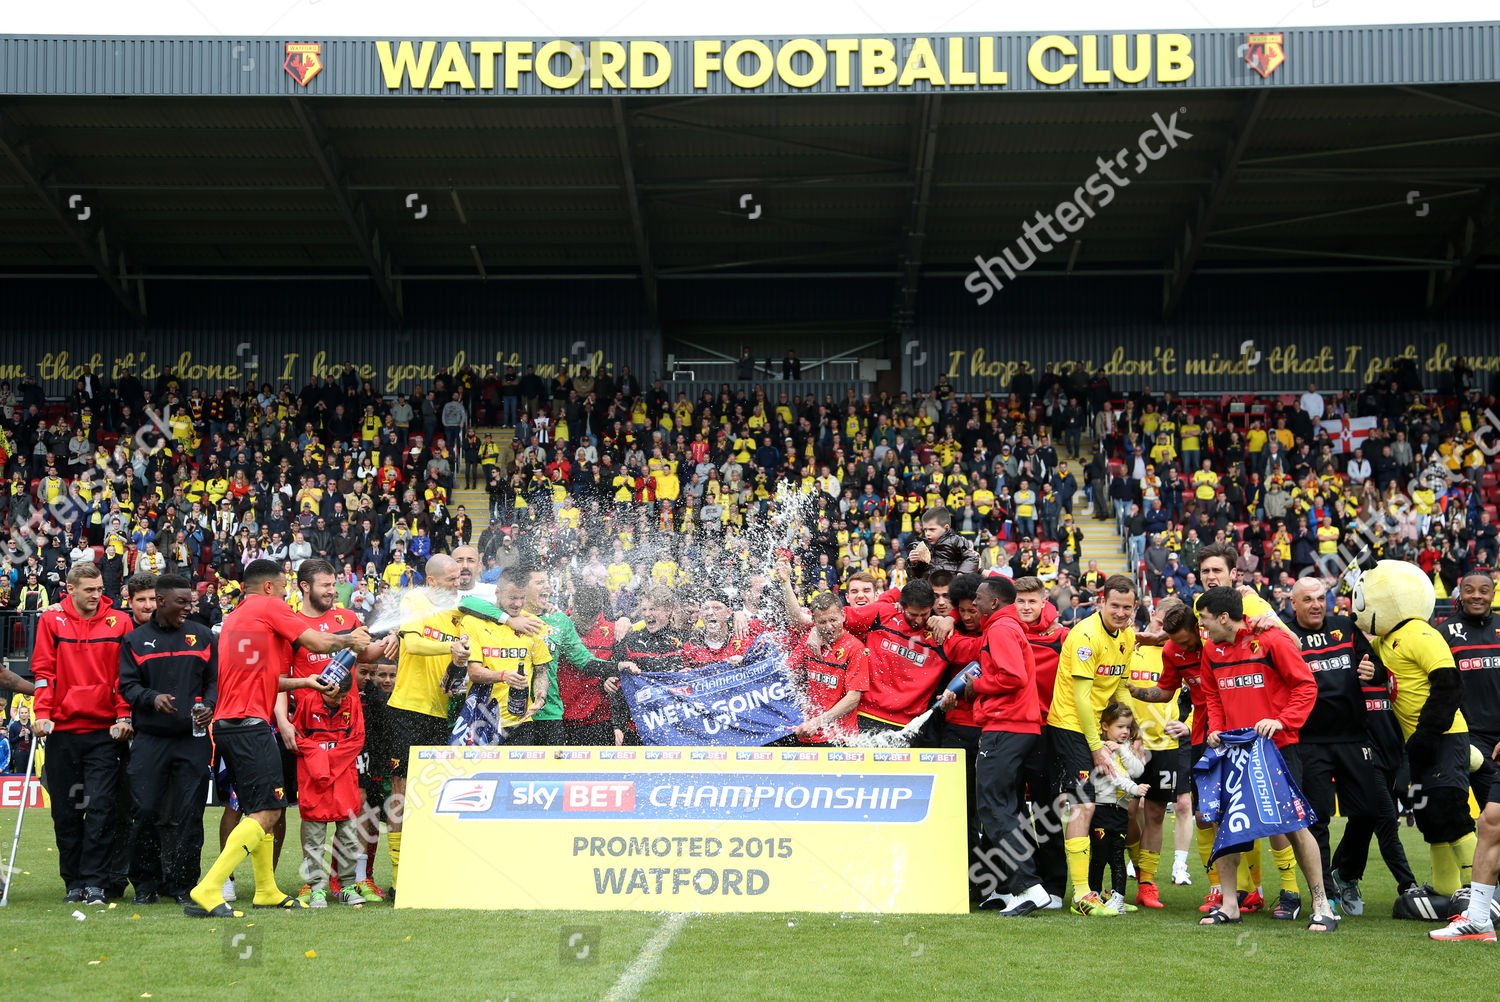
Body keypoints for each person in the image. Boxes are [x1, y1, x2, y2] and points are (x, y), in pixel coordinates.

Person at [184, 558, 368, 918]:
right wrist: (350, 639)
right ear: (269, 587)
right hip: (250, 723)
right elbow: (315, 641)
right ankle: (209, 887)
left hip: (229, 723)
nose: (287, 594)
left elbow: (263, 678)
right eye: (284, 587)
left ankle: (266, 889)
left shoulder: (238, 618)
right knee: (268, 810)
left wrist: (305, 682)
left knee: (259, 807)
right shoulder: (270, 606)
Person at [1195, 586, 1336, 931]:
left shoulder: (1272, 640)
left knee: (1295, 825)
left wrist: (1281, 721)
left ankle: (1322, 905)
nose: (1203, 628)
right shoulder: (1211, 649)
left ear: (1224, 617)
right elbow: (1212, 694)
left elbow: (1305, 686)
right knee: (1226, 824)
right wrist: (1216, 728)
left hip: (1277, 748)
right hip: (1233, 750)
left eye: (1205, 620)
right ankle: (1230, 905)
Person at [1284, 577, 1414, 916]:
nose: (1316, 604)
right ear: (1293, 603)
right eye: (1308, 599)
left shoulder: (1345, 627)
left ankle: (1346, 874)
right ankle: (1324, 896)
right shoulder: (1285, 635)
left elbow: (1378, 671)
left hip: (1354, 739)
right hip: (1309, 743)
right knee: (1319, 821)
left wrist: (1374, 669)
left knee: (1370, 811)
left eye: (1321, 598)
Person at [31, 562, 135, 905]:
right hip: (62, 733)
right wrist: (42, 714)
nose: (96, 595)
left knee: (102, 808)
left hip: (104, 733)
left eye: (100, 588)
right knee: (66, 809)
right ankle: (72, 882)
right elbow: (44, 671)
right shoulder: (51, 620)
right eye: (89, 589)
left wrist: (123, 714)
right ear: (70, 589)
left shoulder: (119, 621)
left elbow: (124, 675)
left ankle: (95, 882)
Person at [117, 574, 217, 907]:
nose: (189, 607)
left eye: (191, 601)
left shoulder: (202, 636)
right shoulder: (134, 640)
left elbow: (215, 681)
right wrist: (151, 697)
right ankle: (145, 883)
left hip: (192, 740)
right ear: (161, 602)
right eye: (182, 602)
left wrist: (211, 707)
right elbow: (127, 687)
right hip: (150, 739)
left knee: (190, 813)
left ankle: (183, 884)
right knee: (145, 810)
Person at [1048, 574, 1138, 917]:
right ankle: (1081, 895)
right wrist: (1097, 746)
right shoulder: (1086, 635)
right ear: (1101, 602)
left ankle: (1100, 891)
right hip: (1072, 726)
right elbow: (1083, 699)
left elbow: (1120, 689)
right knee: (1082, 806)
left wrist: (1133, 731)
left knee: (1101, 806)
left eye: (1126, 607)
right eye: (1114, 605)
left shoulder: (1127, 635)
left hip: (1095, 730)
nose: (1120, 612)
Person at [292, 664, 366, 907]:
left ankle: (346, 886)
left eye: (342, 696)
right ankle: (316, 889)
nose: (337, 700)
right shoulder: (307, 702)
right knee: (314, 837)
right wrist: (320, 760)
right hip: (314, 779)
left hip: (342, 778)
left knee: (348, 834)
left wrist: (325, 760)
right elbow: (297, 738)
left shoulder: (353, 704)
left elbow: (357, 740)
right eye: (332, 695)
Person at [1438, 572, 1500, 806]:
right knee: (1493, 812)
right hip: (1471, 738)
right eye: (1469, 590)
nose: (1476, 596)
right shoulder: (1444, 633)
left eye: (1483, 591)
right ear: (1460, 595)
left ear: (1493, 595)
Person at [784, 590, 868, 744]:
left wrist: (818, 722)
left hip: (839, 737)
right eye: (822, 622)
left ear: (843, 616)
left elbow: (853, 698)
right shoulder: (807, 642)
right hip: (806, 732)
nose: (829, 626)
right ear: (814, 621)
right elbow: (785, 674)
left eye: (833, 620)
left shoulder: (855, 648)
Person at [1089, 703, 1149, 914]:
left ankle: (1118, 898)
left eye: (1128, 727)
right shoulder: (1101, 749)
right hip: (1101, 809)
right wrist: (1135, 788)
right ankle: (1094, 895)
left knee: (1117, 856)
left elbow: (1138, 769)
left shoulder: (1124, 747)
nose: (1125, 731)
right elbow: (1113, 776)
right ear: (1105, 726)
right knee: (1098, 855)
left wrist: (1123, 750)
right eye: (1120, 727)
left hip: (1119, 811)